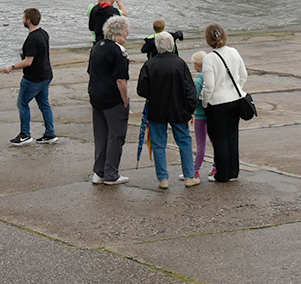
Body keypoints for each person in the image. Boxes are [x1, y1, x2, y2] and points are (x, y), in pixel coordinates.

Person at [137, 32, 199, 189]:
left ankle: (163, 178)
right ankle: (189, 176)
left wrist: (152, 94)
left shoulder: (150, 64)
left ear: (157, 46)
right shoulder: (180, 63)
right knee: (184, 141)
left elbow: (141, 89)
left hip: (157, 108)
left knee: (158, 144)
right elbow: (189, 89)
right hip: (179, 108)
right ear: (172, 45)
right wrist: (192, 107)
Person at [200, 23, 247, 183]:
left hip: (217, 103)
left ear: (208, 40)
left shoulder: (209, 59)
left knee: (219, 140)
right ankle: (233, 171)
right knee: (232, 136)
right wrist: (237, 89)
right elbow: (243, 74)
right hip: (235, 99)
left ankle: (222, 173)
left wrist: (205, 102)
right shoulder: (234, 52)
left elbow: (209, 86)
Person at [4, 7, 57, 146]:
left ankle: (25, 134)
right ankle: (50, 133)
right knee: (44, 104)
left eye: (23, 18)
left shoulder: (32, 39)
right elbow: (48, 52)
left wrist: (12, 67)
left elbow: (28, 61)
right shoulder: (44, 34)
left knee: (22, 103)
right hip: (46, 74)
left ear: (28, 20)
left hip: (34, 78)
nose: (23, 21)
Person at [88, 15, 131, 185]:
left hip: (95, 95)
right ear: (120, 33)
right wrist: (125, 100)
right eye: (126, 32)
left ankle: (98, 172)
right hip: (112, 99)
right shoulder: (118, 51)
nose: (127, 35)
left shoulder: (97, 47)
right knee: (116, 135)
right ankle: (111, 173)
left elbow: (91, 71)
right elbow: (121, 80)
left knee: (101, 135)